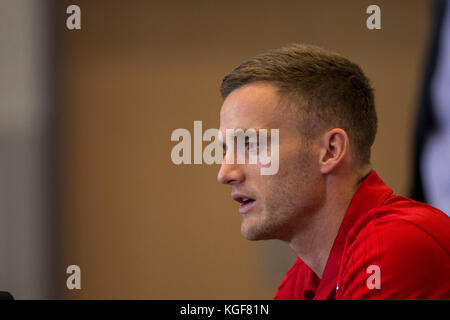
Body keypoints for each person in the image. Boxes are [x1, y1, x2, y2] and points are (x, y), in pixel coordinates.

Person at [217, 44, 450, 300]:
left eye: (251, 144)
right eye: (226, 149)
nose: (225, 172)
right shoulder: (307, 275)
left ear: (330, 150)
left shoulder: (395, 247)